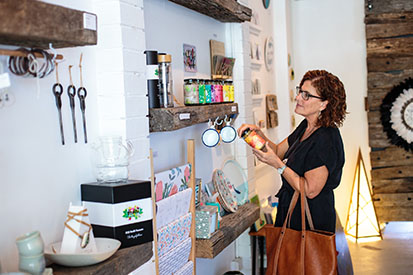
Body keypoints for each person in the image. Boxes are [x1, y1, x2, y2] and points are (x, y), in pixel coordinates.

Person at [237, 69, 347, 233]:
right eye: (300, 92)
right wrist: (258, 135)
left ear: (324, 104)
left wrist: (278, 166)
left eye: (306, 95)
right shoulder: (306, 126)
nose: (298, 98)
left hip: (311, 221)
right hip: (291, 212)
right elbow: (277, 151)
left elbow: (309, 190)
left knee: (302, 259)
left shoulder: (326, 139)